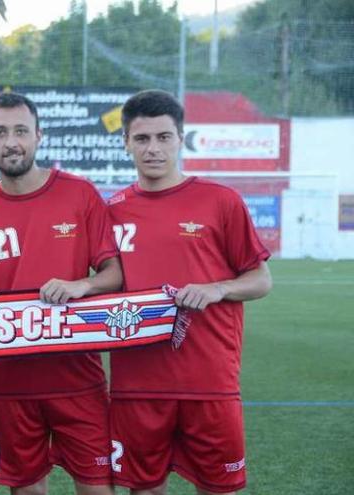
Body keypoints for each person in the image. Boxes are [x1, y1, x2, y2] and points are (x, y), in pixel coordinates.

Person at [106, 89, 272, 495]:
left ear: (181, 138)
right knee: (144, 489)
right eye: (142, 139)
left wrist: (217, 289)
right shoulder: (111, 210)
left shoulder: (220, 201)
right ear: (125, 142)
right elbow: (104, 282)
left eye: (164, 137)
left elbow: (261, 279)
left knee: (219, 488)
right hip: (137, 384)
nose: (153, 149)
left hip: (209, 381)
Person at [0, 92, 122, 495]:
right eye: (0, 132)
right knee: (26, 489)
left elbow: (114, 273)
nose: (11, 142)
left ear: (39, 136)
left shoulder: (79, 194)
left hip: (78, 378)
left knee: (98, 487)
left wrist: (82, 284)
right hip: (8, 385)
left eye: (20, 131)